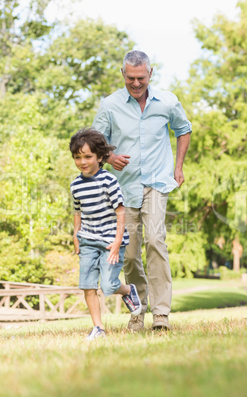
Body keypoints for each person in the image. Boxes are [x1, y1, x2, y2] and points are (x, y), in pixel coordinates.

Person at [93, 50, 192, 331]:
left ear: (151, 74)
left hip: (157, 182)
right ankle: (138, 310)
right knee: (131, 253)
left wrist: (179, 167)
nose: (136, 84)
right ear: (122, 75)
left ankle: (161, 314)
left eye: (141, 78)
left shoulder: (168, 102)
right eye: (130, 78)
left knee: (156, 242)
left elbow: (184, 129)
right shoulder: (110, 105)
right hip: (124, 189)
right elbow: (95, 141)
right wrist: (109, 158)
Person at [69, 127, 142, 340]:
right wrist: (76, 236)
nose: (83, 162)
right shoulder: (75, 185)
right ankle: (98, 327)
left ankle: (129, 290)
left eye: (88, 157)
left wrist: (118, 242)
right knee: (87, 284)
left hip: (111, 240)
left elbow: (121, 212)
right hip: (88, 241)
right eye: (77, 157)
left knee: (108, 285)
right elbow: (77, 212)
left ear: (100, 157)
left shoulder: (109, 181)